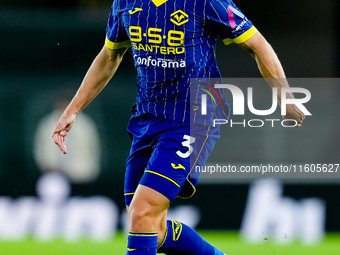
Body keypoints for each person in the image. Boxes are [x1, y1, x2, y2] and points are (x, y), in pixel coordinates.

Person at [52, 0, 306, 254]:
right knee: (149, 225)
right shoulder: (125, 3)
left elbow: (257, 44)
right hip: (147, 119)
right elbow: (110, 56)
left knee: (142, 212)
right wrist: (73, 109)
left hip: (193, 118)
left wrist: (285, 96)